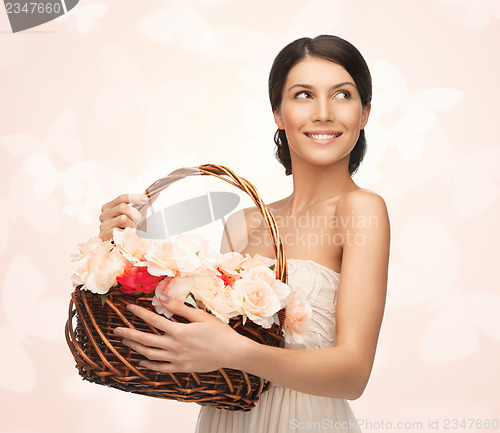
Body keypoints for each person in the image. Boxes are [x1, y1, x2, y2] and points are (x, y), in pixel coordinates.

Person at [99, 35, 390, 433]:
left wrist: (240, 352)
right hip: (227, 420)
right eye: (303, 94)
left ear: (364, 113)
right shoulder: (244, 223)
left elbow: (353, 374)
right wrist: (121, 252)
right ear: (278, 113)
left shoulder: (360, 209)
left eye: (341, 95)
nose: (323, 113)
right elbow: (203, 345)